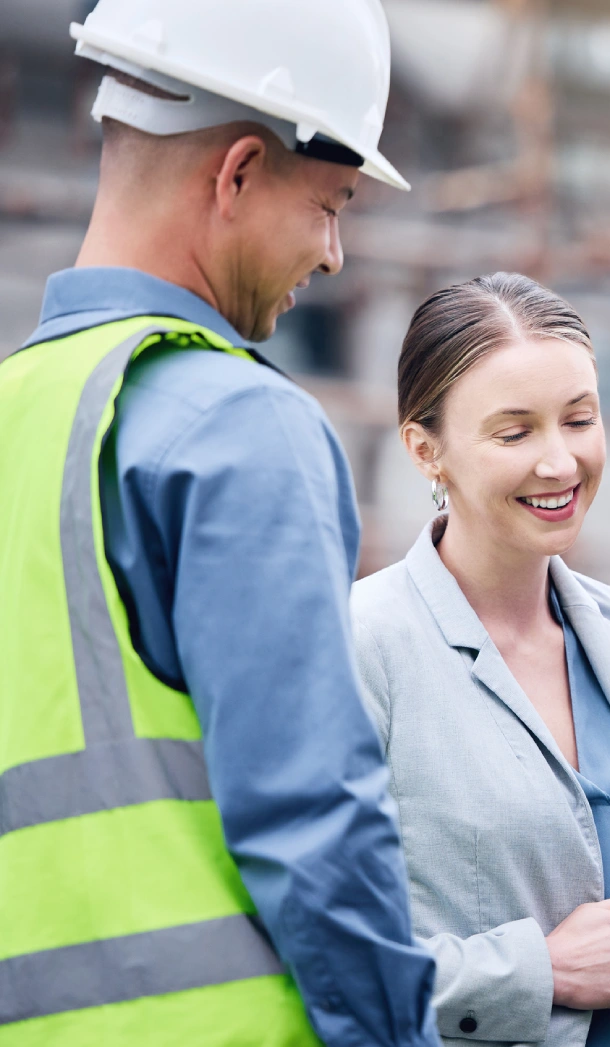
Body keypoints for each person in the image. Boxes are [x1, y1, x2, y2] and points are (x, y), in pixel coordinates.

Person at [0, 1, 439, 1045]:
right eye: (331, 204)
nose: (334, 255)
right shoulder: (240, 423)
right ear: (237, 173)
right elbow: (316, 823)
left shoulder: (16, 409)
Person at [351, 273, 610, 1047]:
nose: (560, 462)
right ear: (426, 450)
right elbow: (321, 943)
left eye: (579, 419)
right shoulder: (362, 643)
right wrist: (535, 972)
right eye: (514, 433)